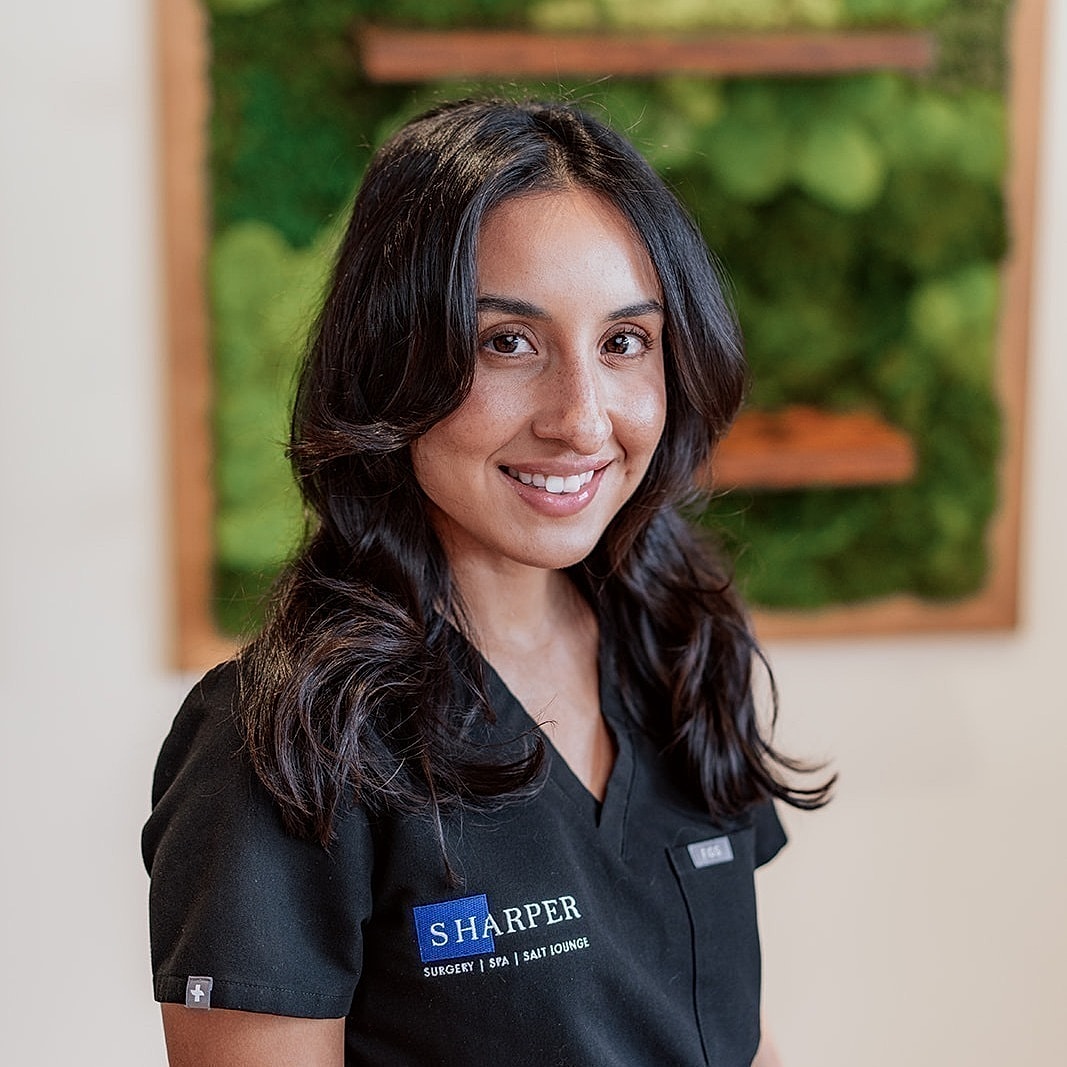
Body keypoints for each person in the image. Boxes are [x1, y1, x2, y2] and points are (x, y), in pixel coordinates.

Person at [143, 97, 832, 1066]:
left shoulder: (680, 646)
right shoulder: (286, 733)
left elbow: (730, 1031)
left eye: (623, 341)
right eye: (506, 341)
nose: (581, 419)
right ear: (392, 357)